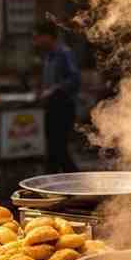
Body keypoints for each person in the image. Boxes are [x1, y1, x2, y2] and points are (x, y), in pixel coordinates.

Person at [33, 21, 80, 174]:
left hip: (63, 107)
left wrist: (53, 90)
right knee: (53, 151)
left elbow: (74, 79)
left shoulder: (64, 53)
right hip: (50, 108)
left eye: (38, 37)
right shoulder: (48, 57)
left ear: (48, 37)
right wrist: (41, 91)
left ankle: (77, 183)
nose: (36, 41)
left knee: (59, 149)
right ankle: (49, 185)